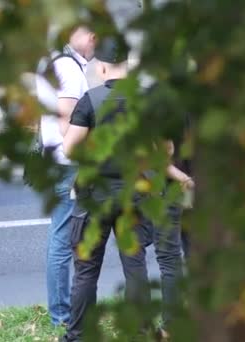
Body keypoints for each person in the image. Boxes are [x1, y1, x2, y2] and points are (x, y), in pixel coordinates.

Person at [61, 36, 193, 341]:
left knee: (85, 270)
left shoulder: (90, 100)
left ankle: (77, 335)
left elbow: (69, 150)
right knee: (134, 266)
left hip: (94, 195)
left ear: (103, 69)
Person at [38, 25, 97, 326]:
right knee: (63, 239)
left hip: (56, 160)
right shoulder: (69, 69)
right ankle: (60, 315)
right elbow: (66, 123)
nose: (94, 39)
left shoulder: (56, 62)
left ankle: (63, 311)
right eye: (90, 33)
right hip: (67, 162)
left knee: (64, 236)